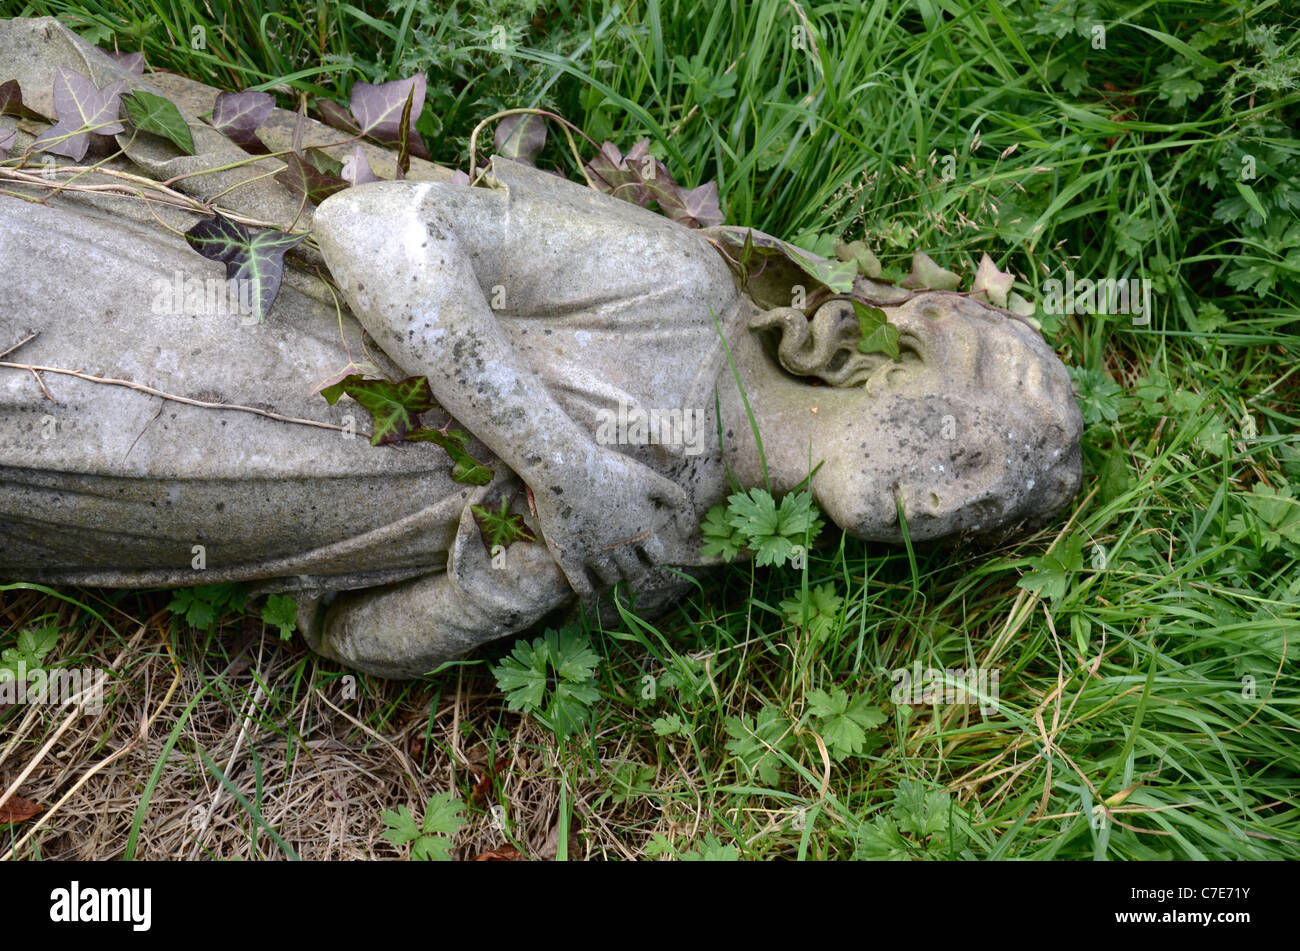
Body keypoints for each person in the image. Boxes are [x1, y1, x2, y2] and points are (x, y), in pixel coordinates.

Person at [0, 156, 1081, 677]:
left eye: (979, 518)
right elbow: (379, 226)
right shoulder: (677, 295)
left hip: (127, 504)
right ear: (894, 362)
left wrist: (530, 575)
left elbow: (353, 640)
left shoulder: (659, 567)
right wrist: (562, 465)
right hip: (144, 328)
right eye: (970, 450)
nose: (944, 503)